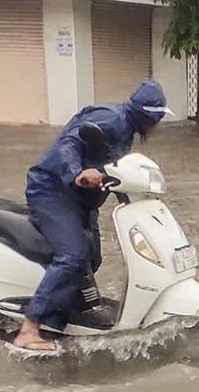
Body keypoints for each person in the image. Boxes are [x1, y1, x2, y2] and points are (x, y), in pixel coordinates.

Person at [13, 80, 173, 352]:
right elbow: (69, 142)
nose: (157, 126)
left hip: (80, 199)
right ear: (150, 116)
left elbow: (112, 167)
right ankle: (29, 328)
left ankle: (59, 315)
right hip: (52, 190)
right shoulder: (110, 119)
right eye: (158, 119)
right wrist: (77, 172)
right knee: (73, 255)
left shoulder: (127, 132)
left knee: (92, 258)